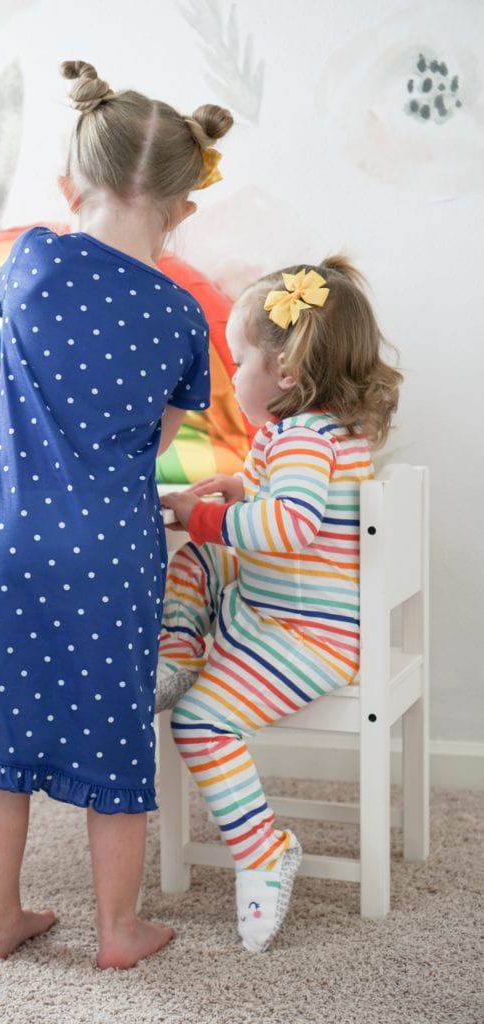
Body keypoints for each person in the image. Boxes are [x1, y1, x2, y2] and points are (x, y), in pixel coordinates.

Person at [0, 59, 233, 969]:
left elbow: (40, 381)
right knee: (112, 743)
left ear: (70, 185)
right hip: (111, 551)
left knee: (0, 747)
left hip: (10, 542)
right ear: (183, 208)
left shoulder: (30, 258)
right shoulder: (180, 314)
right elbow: (145, 440)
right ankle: (119, 932)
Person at [158, 256, 402, 952]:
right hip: (283, 615)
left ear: (286, 373)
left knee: (200, 725)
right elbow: (287, 507)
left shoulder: (300, 440)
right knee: (198, 561)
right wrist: (234, 494)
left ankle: (264, 849)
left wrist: (206, 518)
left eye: (239, 361)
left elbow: (291, 526)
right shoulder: (318, 432)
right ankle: (177, 656)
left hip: (305, 637)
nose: (231, 376)